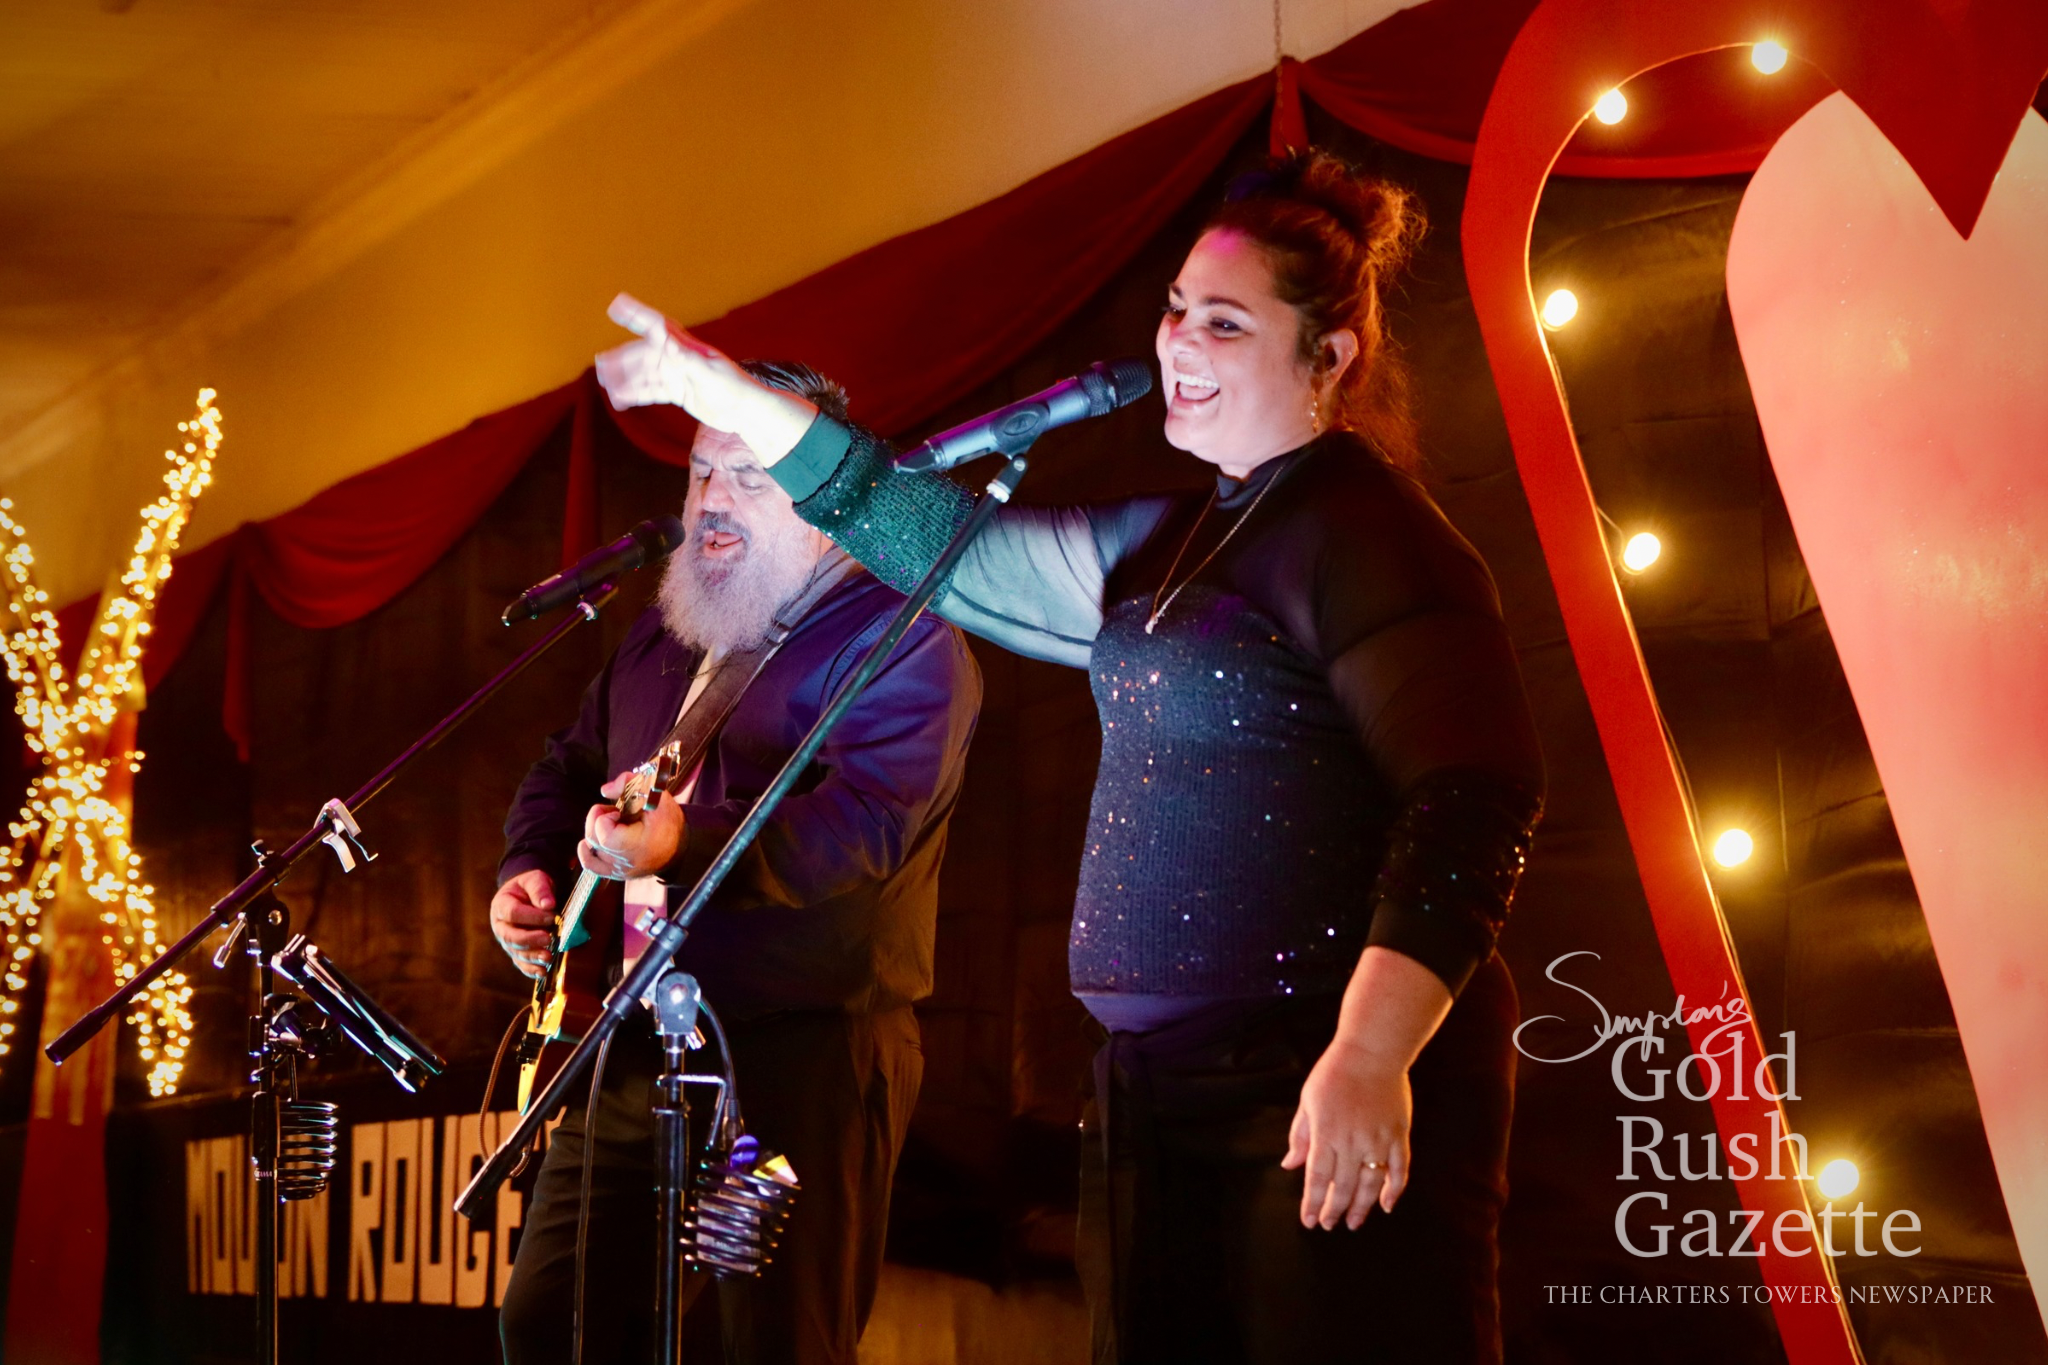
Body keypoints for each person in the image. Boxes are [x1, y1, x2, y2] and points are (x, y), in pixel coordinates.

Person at [595, 150, 1545, 1364]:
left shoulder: (1369, 534)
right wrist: (728, 396)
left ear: (1330, 355)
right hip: (1157, 1093)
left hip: (1306, 1083)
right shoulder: (1179, 537)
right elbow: (927, 536)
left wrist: (1369, 1053)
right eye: (1173, 309)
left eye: (1223, 321)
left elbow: (1474, 795)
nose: (1178, 341)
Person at [489, 360, 982, 1365]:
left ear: (825, 489)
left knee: (768, 1343)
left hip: (800, 1054)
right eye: (701, 472)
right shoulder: (661, 634)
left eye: (751, 474)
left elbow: (864, 827)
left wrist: (686, 843)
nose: (713, 499)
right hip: (634, 1041)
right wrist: (526, 868)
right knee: (551, 1322)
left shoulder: (901, 636)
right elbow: (568, 764)